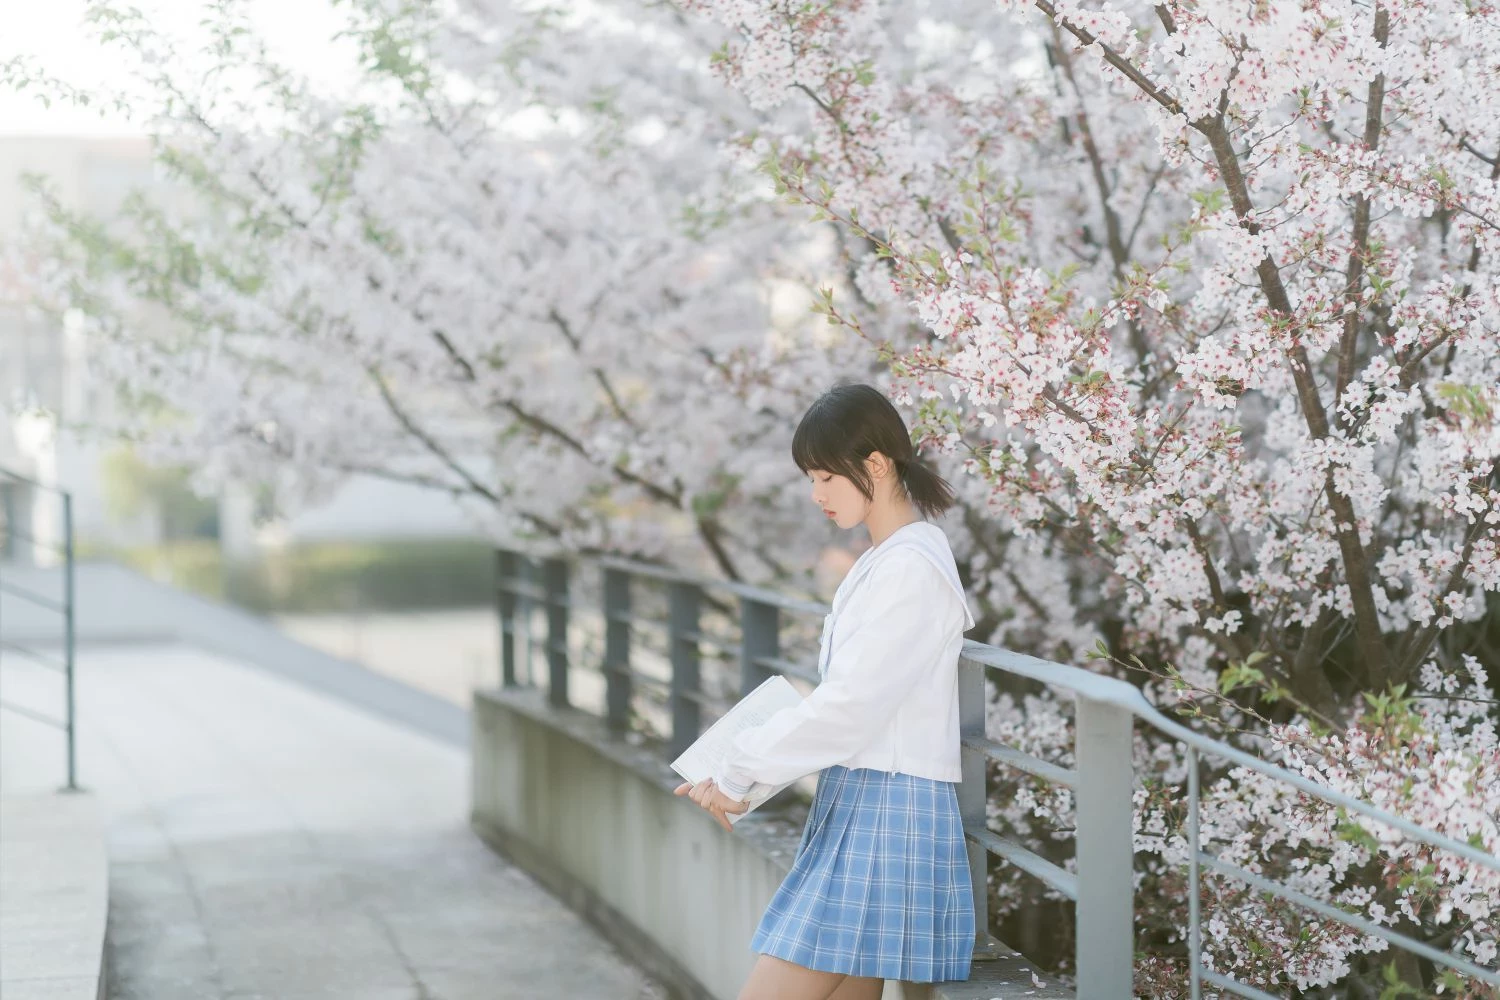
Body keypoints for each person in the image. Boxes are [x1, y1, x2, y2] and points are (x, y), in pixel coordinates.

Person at [675, 382, 977, 1000]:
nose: (816, 495)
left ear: (875, 464)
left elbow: (849, 708)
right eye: (810, 479)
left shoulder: (911, 569)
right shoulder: (886, 562)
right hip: (865, 799)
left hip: (887, 808)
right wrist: (739, 777)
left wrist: (739, 774)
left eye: (824, 478)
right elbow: (847, 705)